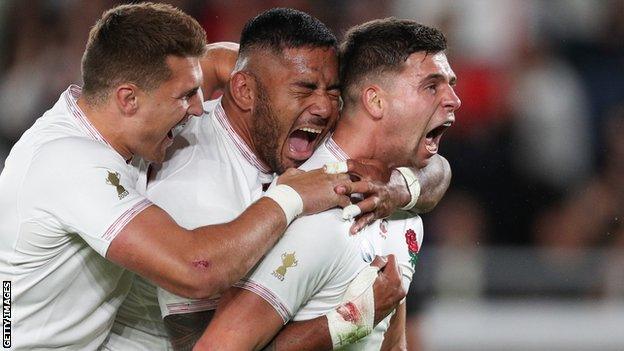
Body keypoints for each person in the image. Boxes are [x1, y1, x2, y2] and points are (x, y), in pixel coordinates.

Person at [0, 3, 367, 349]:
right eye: (186, 95)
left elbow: (220, 64)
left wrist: (271, 81)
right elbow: (197, 269)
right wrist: (291, 197)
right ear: (129, 99)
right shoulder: (72, 163)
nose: (198, 107)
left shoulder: (119, 123)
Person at [113, 8, 453, 351]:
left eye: (332, 90)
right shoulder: (196, 191)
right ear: (245, 93)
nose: (323, 107)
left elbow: (434, 165)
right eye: (305, 89)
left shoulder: (306, 127)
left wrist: (398, 188)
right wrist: (351, 320)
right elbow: (206, 346)